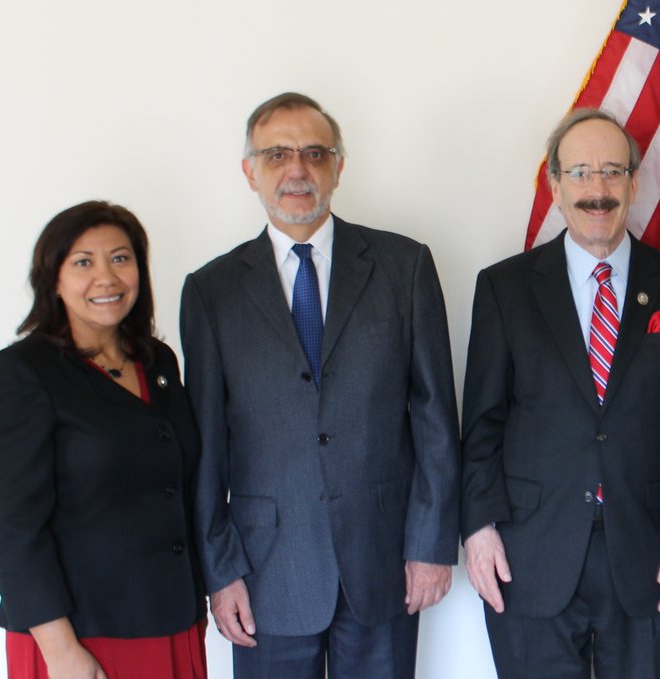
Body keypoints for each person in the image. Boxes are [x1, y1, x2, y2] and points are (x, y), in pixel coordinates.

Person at [180, 92, 460, 679]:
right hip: (264, 574)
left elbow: (434, 416)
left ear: (338, 165)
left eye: (314, 152)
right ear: (249, 170)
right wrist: (220, 569)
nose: (297, 169)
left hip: (383, 561)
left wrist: (431, 546)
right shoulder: (212, 291)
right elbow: (205, 446)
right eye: (277, 154)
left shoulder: (403, 266)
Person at [460, 108, 660, 679]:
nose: (596, 190)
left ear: (633, 182)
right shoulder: (503, 289)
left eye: (611, 172)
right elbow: (481, 426)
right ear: (553, 185)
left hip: (650, 557)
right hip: (527, 558)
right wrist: (478, 530)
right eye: (579, 173)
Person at [0, 201, 207, 679]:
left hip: (171, 619)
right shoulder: (20, 373)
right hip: (78, 636)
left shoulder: (159, 362)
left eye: (120, 258)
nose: (106, 277)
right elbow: (9, 527)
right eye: (83, 262)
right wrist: (62, 652)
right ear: (54, 278)